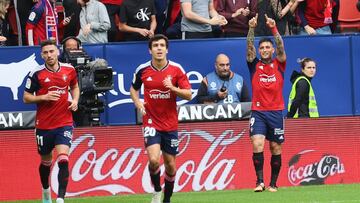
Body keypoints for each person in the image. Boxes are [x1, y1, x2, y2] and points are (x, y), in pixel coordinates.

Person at [130, 34, 192, 203]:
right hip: (151, 121)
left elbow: (188, 94)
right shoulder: (142, 70)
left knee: (170, 165)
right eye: (155, 45)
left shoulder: (176, 69)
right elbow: (133, 89)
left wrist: (172, 88)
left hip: (170, 123)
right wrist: (138, 103)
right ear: (150, 50)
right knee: (154, 160)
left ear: (167, 49)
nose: (159, 48)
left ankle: (167, 198)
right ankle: (157, 190)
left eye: (162, 45)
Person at [23, 40, 80, 203]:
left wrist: (75, 100)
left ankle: (60, 199)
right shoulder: (36, 73)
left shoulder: (69, 70)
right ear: (42, 55)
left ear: (58, 52)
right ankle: (45, 190)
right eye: (46, 52)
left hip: (64, 123)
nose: (49, 55)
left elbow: (75, 87)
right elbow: (26, 97)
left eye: (51, 51)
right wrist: (43, 97)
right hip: (44, 125)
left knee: (63, 159)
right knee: (46, 161)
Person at [246, 13, 287, 192]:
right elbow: (249, 47)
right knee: (257, 143)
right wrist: (251, 28)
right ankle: (259, 181)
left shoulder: (280, 63)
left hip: (276, 112)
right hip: (258, 112)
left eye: (267, 47)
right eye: (261, 47)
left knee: (275, 147)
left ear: (272, 50)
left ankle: (273, 183)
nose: (264, 50)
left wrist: (273, 28)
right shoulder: (253, 64)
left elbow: (281, 46)